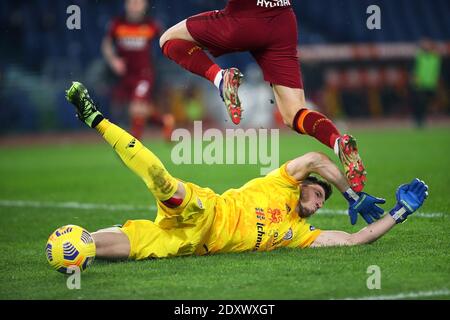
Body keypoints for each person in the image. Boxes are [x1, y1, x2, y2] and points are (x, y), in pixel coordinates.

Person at [65, 82, 428, 260]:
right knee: (163, 181)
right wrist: (351, 194)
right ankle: (96, 119)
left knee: (133, 247)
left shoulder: (298, 233)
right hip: (204, 209)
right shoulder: (282, 182)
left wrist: (400, 212)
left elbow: (353, 240)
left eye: (321, 204)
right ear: (304, 186)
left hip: (191, 244)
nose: (318, 204)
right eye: (318, 194)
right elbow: (316, 160)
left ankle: (76, 245)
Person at [158, 0, 367, 192]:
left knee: (168, 39)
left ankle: (221, 78)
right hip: (282, 22)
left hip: (244, 18)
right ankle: (338, 142)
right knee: (295, 114)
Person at [102, 0, 174, 139]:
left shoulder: (151, 25)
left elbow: (166, 39)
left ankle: (134, 144)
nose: (135, 5)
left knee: (135, 107)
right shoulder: (118, 24)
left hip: (144, 74)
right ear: (126, 4)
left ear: (145, 5)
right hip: (126, 75)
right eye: (132, 2)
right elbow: (107, 45)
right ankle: (164, 121)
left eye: (139, 2)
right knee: (139, 110)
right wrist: (114, 61)